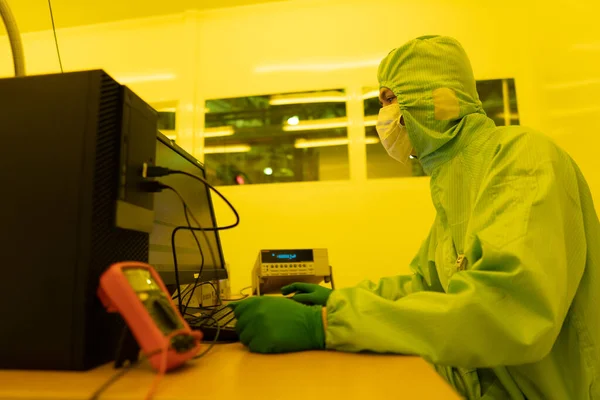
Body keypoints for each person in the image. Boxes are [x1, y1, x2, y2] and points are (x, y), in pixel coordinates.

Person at [229, 35, 600, 399]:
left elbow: (509, 312)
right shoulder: (454, 183)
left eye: (390, 99)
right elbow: (425, 285)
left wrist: (326, 324)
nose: (384, 116)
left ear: (433, 97)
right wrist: (339, 299)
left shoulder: (522, 158)